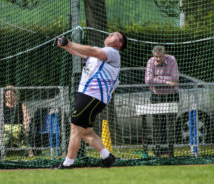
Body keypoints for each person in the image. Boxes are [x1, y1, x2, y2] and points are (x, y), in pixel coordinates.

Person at [54, 31, 127, 168]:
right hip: (88, 95)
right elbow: (76, 51)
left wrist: (69, 43)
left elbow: (92, 51)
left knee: (76, 128)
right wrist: (65, 45)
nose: (110, 34)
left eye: (115, 35)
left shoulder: (112, 52)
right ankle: (107, 156)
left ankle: (68, 163)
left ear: (119, 43)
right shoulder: (97, 54)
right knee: (86, 131)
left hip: (92, 96)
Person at [145, 45, 179, 157]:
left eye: (160, 57)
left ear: (165, 54)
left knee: (169, 124)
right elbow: (148, 80)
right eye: (156, 57)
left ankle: (169, 152)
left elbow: (175, 78)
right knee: (157, 124)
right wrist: (166, 81)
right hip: (156, 96)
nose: (158, 59)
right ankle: (157, 151)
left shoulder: (172, 60)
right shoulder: (150, 62)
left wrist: (158, 79)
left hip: (171, 95)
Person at [0, 85, 33, 157]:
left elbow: (27, 117)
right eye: (7, 94)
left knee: (24, 131)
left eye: (11, 94)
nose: (9, 96)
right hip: (5, 128)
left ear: (15, 95)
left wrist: (26, 124)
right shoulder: (0, 106)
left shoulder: (21, 105)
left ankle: (30, 152)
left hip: (18, 127)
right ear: (4, 96)